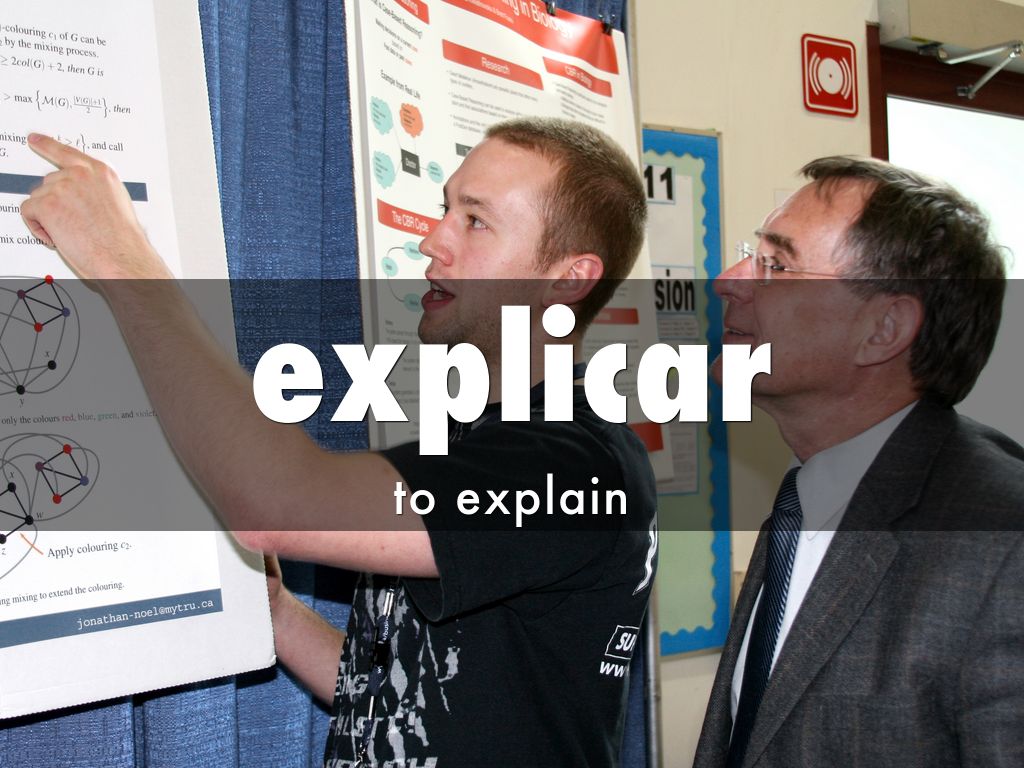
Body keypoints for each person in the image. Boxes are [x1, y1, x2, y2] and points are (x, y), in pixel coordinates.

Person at [19, 117, 658, 766]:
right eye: (445, 209)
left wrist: (122, 262)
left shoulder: (576, 465)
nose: (432, 239)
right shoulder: (479, 436)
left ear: (569, 278)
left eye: (475, 221)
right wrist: (279, 614)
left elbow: (277, 505)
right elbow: (398, 701)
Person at [695, 156, 1024, 768]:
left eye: (777, 265)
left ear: (884, 329)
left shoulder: (1000, 542)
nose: (728, 281)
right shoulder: (804, 504)